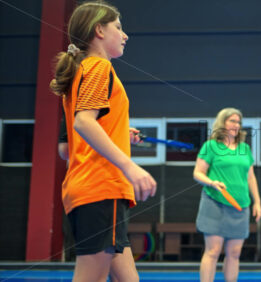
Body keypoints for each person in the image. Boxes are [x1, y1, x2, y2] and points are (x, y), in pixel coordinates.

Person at [49, 2, 156, 281]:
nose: (125, 35)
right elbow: (83, 122)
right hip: (101, 188)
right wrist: (130, 166)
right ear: (98, 30)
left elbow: (66, 148)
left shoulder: (80, 72)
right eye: (118, 27)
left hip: (87, 189)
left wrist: (117, 132)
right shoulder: (98, 67)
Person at [193, 108, 261, 282]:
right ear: (222, 123)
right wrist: (212, 183)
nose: (236, 125)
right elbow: (198, 173)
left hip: (240, 206)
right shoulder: (211, 146)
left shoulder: (245, 149)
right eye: (232, 121)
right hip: (214, 203)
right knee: (213, 251)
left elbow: (250, 176)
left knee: (234, 253)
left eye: (238, 122)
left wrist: (257, 202)